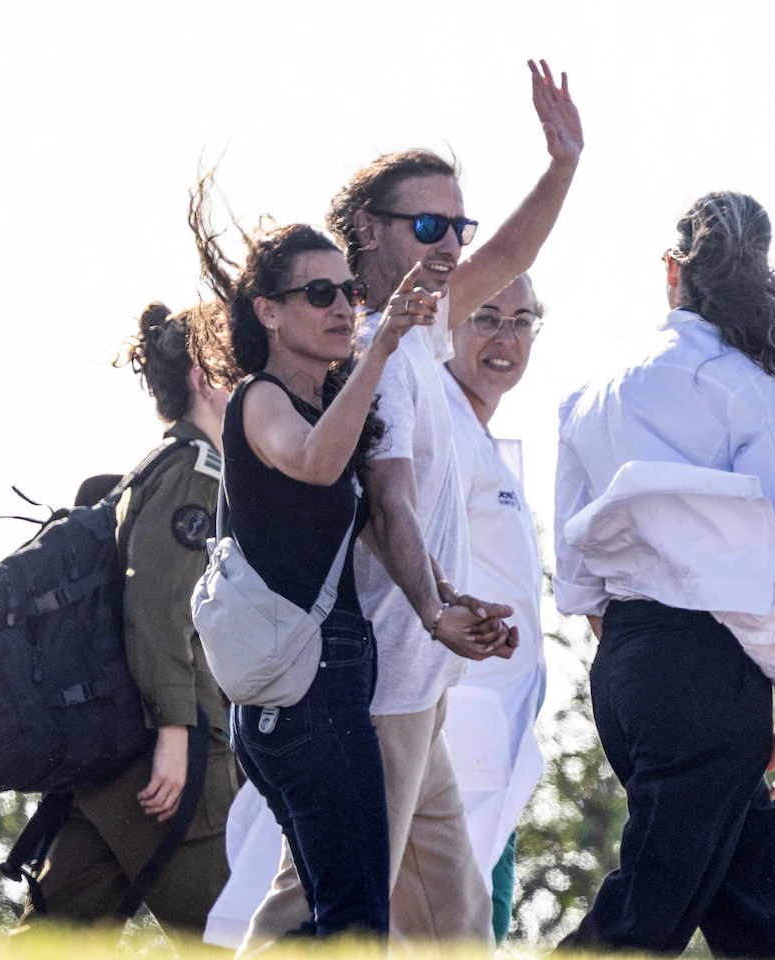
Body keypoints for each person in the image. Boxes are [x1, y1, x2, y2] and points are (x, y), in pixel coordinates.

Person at [233, 59, 583, 950]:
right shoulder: (364, 359)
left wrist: (563, 164)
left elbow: (511, 255)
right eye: (429, 224)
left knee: (454, 929)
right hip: (380, 676)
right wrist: (433, 609)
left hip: (424, 684)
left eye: (457, 225)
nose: (454, 245)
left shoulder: (419, 329)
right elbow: (386, 506)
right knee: (324, 916)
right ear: (365, 234)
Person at [187, 184, 503, 940]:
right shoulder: (261, 402)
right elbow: (315, 464)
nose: (343, 309)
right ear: (269, 311)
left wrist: (446, 602)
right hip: (302, 695)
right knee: (346, 915)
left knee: (352, 912)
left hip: (332, 681)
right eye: (320, 294)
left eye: (350, 293)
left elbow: (377, 525)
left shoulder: (330, 403)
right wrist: (385, 340)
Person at [552, 192, 775, 957]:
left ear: (672, 271)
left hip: (627, 666)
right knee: (645, 918)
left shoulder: (590, 395)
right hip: (710, 668)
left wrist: (645, 653)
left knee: (765, 918)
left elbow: (577, 578)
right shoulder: (756, 387)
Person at [17, 302, 238, 945]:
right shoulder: (197, 473)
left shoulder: (159, 465)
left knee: (58, 934)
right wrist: (176, 734)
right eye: (237, 368)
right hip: (165, 751)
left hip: (114, 751)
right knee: (232, 934)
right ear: (202, 377)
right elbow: (159, 607)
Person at [438, 274, 549, 943]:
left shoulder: (477, 434)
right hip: (457, 719)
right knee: (453, 923)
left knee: (482, 918)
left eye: (523, 320)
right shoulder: (444, 427)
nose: (505, 338)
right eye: (485, 316)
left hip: (499, 728)